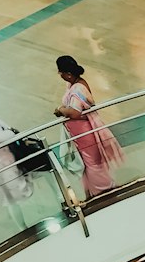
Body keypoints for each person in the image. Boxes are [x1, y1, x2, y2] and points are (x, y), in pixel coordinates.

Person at [53, 55, 123, 198]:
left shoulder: (78, 88)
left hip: (85, 133)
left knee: (93, 163)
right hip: (80, 134)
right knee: (86, 162)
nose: (59, 75)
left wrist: (61, 110)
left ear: (68, 74)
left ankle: (104, 191)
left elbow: (74, 112)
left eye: (60, 72)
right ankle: (93, 191)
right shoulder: (73, 84)